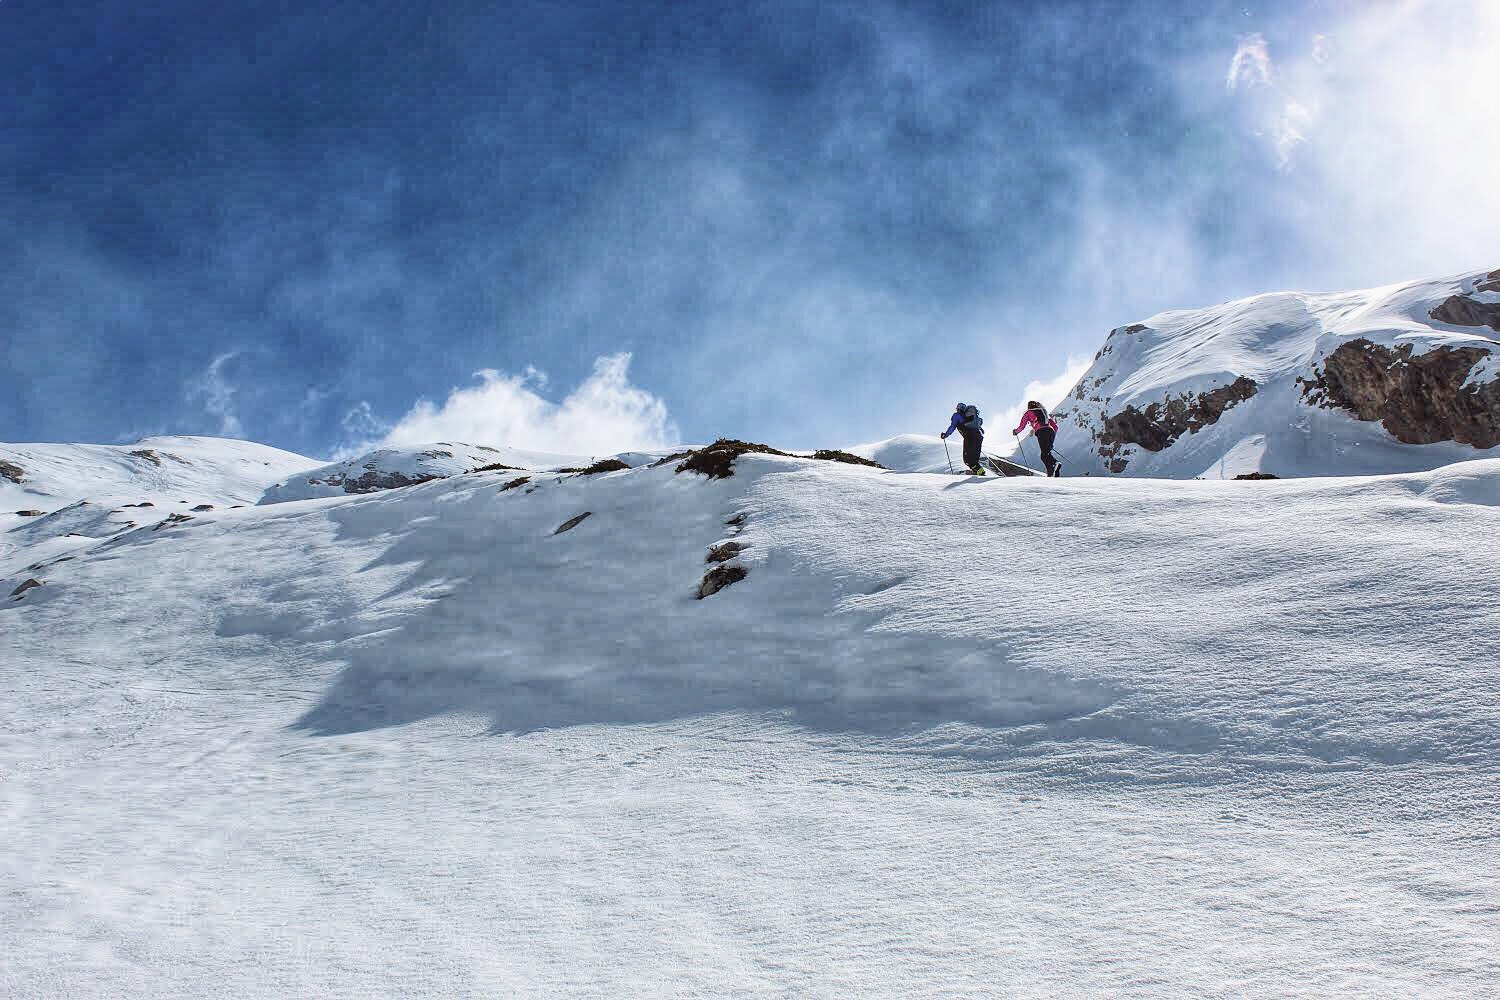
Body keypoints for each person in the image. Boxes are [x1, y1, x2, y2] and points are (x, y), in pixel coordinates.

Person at [1013, 400, 1061, 476]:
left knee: (1044, 455)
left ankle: (1055, 463)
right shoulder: (1044, 413)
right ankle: (1052, 472)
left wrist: (1016, 431)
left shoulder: (1028, 412)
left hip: (1042, 432)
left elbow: (1022, 425)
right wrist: (1050, 439)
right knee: (1046, 454)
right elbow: (1055, 427)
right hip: (1050, 432)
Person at [941, 402, 986, 475]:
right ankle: (979, 473)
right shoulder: (970, 418)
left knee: (967, 460)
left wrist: (945, 435)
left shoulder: (957, 416)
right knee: (974, 459)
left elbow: (952, 427)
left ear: (958, 408)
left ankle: (980, 473)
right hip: (978, 437)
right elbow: (980, 430)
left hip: (970, 437)